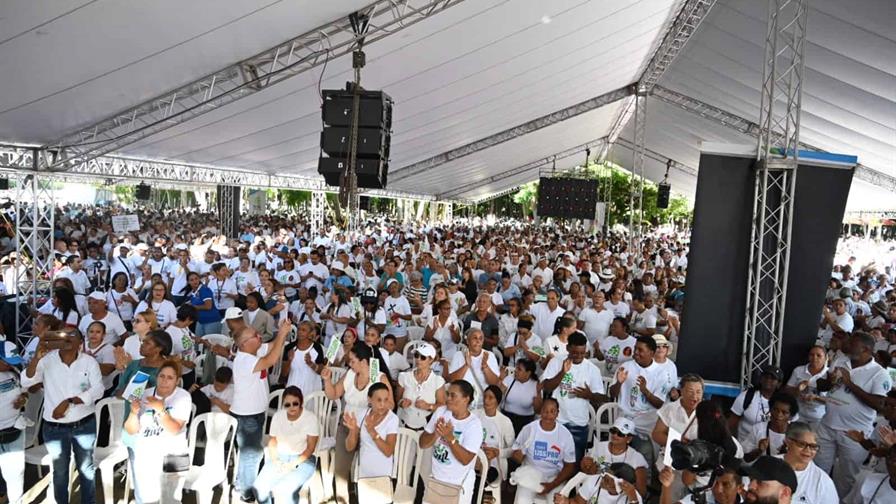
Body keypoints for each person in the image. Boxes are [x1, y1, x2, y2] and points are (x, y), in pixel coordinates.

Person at [22, 329, 104, 504]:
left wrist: (70, 401)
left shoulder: (88, 362)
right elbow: (27, 381)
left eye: (71, 335)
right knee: (59, 472)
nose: (66, 338)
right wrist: (36, 357)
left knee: (86, 469)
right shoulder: (46, 360)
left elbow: (98, 390)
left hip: (84, 424)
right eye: (62, 336)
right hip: (54, 427)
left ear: (80, 343)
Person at [814, 331, 892, 496]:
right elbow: (823, 387)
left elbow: (879, 405)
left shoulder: (880, 373)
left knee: (846, 478)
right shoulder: (841, 359)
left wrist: (850, 383)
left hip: (855, 433)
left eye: (853, 342)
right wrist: (829, 381)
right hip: (827, 425)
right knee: (818, 468)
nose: (848, 344)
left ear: (865, 349)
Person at [321, 342, 393, 504]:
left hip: (370, 431)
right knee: (340, 471)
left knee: (369, 473)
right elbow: (333, 394)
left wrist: (377, 398)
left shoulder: (378, 376)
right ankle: (342, 500)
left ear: (364, 361)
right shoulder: (349, 375)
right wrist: (326, 380)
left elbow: (391, 405)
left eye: (352, 361)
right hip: (347, 426)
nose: (349, 364)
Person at [231, 320, 292, 502]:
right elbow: (271, 359)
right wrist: (281, 333)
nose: (259, 337)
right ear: (244, 344)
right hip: (247, 415)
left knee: (249, 453)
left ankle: (241, 484)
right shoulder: (244, 360)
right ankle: (246, 493)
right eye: (255, 336)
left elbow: (272, 346)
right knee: (251, 455)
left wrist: (283, 333)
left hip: (254, 412)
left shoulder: (253, 351)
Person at [124, 359, 191, 504]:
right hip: (145, 455)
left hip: (173, 455)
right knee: (145, 499)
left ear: (177, 380)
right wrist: (133, 413)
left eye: (170, 378)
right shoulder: (144, 393)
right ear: (157, 377)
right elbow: (131, 430)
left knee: (170, 500)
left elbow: (174, 429)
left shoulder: (183, 396)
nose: (165, 381)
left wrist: (160, 409)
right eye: (162, 376)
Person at [541, 331, 605, 461]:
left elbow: (602, 398)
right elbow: (547, 386)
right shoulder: (556, 362)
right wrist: (562, 373)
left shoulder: (592, 369)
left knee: (574, 461)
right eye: (575, 352)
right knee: (553, 459)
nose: (579, 356)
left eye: (582, 353)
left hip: (579, 424)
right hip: (557, 421)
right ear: (568, 348)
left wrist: (589, 395)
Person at [419, 380, 484, 504]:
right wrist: (436, 434)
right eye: (448, 394)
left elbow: (466, 460)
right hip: (435, 480)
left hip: (458, 485)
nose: (448, 398)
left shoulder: (474, 425)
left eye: (453, 395)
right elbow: (422, 443)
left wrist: (451, 439)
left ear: (466, 399)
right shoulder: (441, 412)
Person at [253, 386, 319, 504]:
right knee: (259, 487)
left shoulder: (310, 418)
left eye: (295, 403)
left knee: (286, 490)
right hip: (280, 456)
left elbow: (310, 448)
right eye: (287, 405)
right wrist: (275, 460)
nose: (292, 407)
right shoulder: (278, 416)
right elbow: (272, 441)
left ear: (301, 402)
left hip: (303, 459)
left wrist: (292, 465)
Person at [610, 336, 667, 473]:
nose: (636, 352)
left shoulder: (660, 373)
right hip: (625, 416)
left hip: (647, 420)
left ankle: (643, 485)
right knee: (618, 450)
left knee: (646, 452)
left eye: (640, 350)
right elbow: (612, 394)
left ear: (651, 353)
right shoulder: (626, 367)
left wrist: (645, 391)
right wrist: (619, 383)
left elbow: (659, 403)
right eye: (635, 348)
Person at [510, 397, 577, 504]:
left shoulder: (565, 435)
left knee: (557, 502)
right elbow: (515, 458)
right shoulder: (529, 429)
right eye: (545, 411)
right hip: (530, 474)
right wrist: (521, 451)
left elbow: (570, 466)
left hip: (554, 477)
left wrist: (552, 485)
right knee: (522, 501)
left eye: (552, 411)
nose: (548, 415)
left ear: (557, 413)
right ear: (541, 411)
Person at [344, 382, 399, 484]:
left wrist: (372, 431)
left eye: (386, 400)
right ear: (369, 399)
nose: (382, 404)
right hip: (363, 472)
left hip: (383, 474)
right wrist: (352, 430)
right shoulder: (362, 415)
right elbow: (349, 447)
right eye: (378, 400)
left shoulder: (392, 419)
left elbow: (388, 451)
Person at [581, 417, 649, 497]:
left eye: (620, 434)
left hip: (621, 498)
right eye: (613, 431)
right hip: (596, 492)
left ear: (629, 439)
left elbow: (641, 492)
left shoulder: (637, 458)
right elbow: (587, 471)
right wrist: (587, 465)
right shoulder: (599, 447)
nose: (615, 435)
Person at [779, 422, 837, 504]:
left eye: (813, 446)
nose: (808, 450)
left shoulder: (823, 482)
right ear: (788, 442)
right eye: (802, 444)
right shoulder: (767, 464)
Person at [0, 340, 28, 504]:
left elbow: (25, 392)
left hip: (14, 428)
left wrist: (23, 399)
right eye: (7, 363)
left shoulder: (14, 373)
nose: (10, 366)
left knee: (16, 472)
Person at [396, 342, 446, 430]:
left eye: (423, 357)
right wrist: (401, 403)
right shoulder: (404, 376)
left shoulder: (437, 381)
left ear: (431, 360)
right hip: (404, 424)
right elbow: (397, 399)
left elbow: (442, 405)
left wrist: (428, 406)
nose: (418, 359)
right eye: (416, 355)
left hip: (426, 426)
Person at [447, 328, 501, 411]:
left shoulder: (489, 355)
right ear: (468, 341)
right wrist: (466, 365)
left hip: (482, 403)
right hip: (462, 403)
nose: (478, 341)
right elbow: (453, 381)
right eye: (475, 338)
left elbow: (494, 383)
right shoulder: (459, 355)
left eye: (480, 338)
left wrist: (485, 367)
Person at [728, 364, 784, 443]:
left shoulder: (782, 401)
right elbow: (731, 423)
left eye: (773, 378)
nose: (768, 380)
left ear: (779, 384)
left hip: (770, 447)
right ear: (761, 379)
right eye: (766, 377)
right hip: (744, 445)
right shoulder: (747, 396)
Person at [477, 385, 515, 487]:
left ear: (497, 401)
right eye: (485, 397)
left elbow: (513, 450)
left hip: (495, 464)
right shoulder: (474, 416)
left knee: (483, 481)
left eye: (490, 397)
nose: (486, 400)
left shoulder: (505, 422)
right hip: (475, 461)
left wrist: (497, 452)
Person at [743, 392, 799, 462]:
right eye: (775, 409)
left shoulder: (797, 434)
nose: (778, 414)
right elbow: (745, 459)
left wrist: (787, 454)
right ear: (770, 410)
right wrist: (759, 451)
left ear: (791, 416)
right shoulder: (758, 429)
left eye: (784, 412)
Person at [784, 345, 828, 429]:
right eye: (811, 355)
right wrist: (797, 390)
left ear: (825, 358)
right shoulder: (799, 370)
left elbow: (834, 401)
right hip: (798, 415)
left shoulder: (830, 374)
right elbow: (786, 390)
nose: (814, 358)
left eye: (819, 355)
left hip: (820, 418)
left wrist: (816, 398)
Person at [555, 462, 642, 504]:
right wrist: (567, 502)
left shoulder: (634, 497)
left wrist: (633, 499)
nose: (602, 480)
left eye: (607, 480)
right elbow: (577, 502)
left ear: (621, 486)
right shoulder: (594, 481)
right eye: (603, 475)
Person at [658, 462, 742, 504]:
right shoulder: (700, 498)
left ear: (739, 488)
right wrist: (666, 485)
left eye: (726, 485)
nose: (718, 489)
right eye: (715, 483)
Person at [281, 320, 325, 397]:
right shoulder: (289, 348)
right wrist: (289, 360)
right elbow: (283, 375)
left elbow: (321, 371)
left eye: (304, 330)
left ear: (310, 333)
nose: (300, 332)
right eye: (299, 329)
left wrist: (311, 364)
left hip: (312, 389)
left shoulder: (317, 347)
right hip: (293, 388)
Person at [499, 358, 540, 435]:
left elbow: (538, 410)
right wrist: (501, 379)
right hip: (506, 418)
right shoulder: (509, 379)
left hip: (525, 422)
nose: (515, 371)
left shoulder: (535, 385)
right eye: (516, 368)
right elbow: (497, 396)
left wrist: (538, 393)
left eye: (519, 369)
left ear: (528, 373)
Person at [165, 304, 199, 388]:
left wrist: (198, 340)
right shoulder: (170, 333)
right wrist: (185, 363)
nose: (192, 323)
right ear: (187, 319)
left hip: (190, 368)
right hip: (180, 371)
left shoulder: (184, 327)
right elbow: (167, 356)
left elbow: (188, 336)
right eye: (191, 320)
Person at [183, 271, 223, 336]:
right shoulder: (193, 292)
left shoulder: (204, 289)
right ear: (188, 282)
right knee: (198, 343)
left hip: (212, 321)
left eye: (196, 278)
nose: (195, 281)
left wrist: (193, 307)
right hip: (201, 321)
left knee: (210, 343)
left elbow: (208, 306)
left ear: (199, 279)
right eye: (192, 280)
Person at [82, 321, 117, 393]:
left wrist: (89, 360)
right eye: (91, 331)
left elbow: (107, 371)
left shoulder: (109, 349)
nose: (94, 334)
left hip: (101, 387)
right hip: (81, 385)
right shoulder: (80, 346)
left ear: (104, 335)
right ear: (87, 333)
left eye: (98, 332)